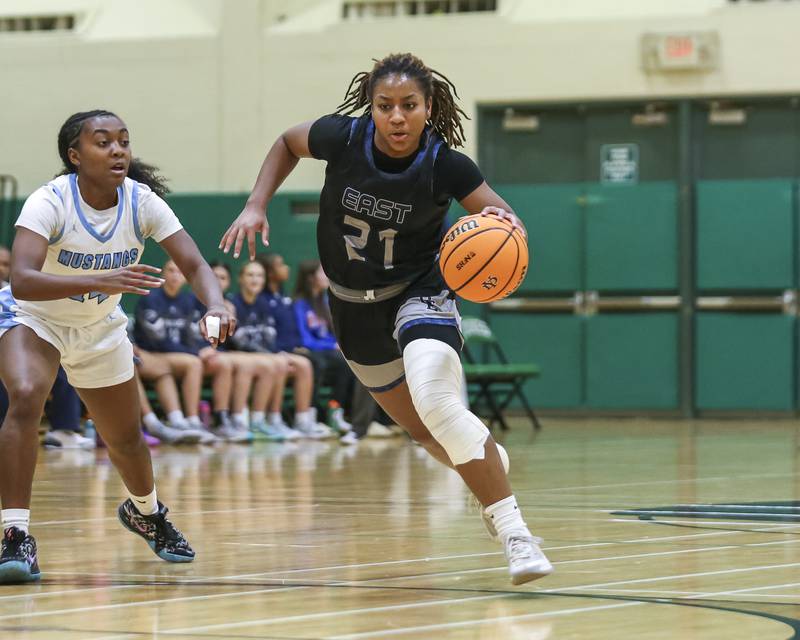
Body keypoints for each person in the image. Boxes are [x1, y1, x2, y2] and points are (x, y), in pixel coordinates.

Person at [221, 53, 552, 584]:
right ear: (371, 108)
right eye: (385, 106)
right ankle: (484, 459)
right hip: (353, 310)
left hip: (419, 294)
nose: (397, 117)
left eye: (409, 106)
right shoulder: (343, 139)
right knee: (431, 437)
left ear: (428, 108)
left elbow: (508, 220)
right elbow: (287, 141)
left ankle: (515, 534)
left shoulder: (447, 165)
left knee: (438, 401)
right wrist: (257, 203)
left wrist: (500, 226)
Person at [0, 109, 234, 583]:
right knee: (26, 395)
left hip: (98, 325)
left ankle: (145, 512)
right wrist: (102, 278)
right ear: (74, 155)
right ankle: (14, 534)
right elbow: (22, 280)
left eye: (123, 141)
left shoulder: (141, 201)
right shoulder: (50, 201)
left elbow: (192, 262)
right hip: (33, 317)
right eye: (103, 142)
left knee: (124, 438)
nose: (118, 150)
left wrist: (216, 304)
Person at [134, 259, 251, 443]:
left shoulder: (189, 301)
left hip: (181, 355)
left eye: (179, 272)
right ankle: (190, 419)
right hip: (154, 354)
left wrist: (204, 349)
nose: (174, 276)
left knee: (220, 363)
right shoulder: (150, 299)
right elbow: (158, 340)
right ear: (163, 274)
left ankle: (221, 419)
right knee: (194, 363)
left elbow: (198, 335)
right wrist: (196, 352)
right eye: (170, 271)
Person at [227, 260, 332, 439]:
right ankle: (257, 420)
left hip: (265, 354)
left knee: (304, 364)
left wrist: (275, 352)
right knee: (276, 363)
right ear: (240, 279)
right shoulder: (232, 303)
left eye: (259, 276)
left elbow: (270, 336)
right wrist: (271, 355)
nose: (255, 279)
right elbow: (237, 340)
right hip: (239, 354)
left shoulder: (264, 304)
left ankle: (299, 420)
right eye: (250, 275)